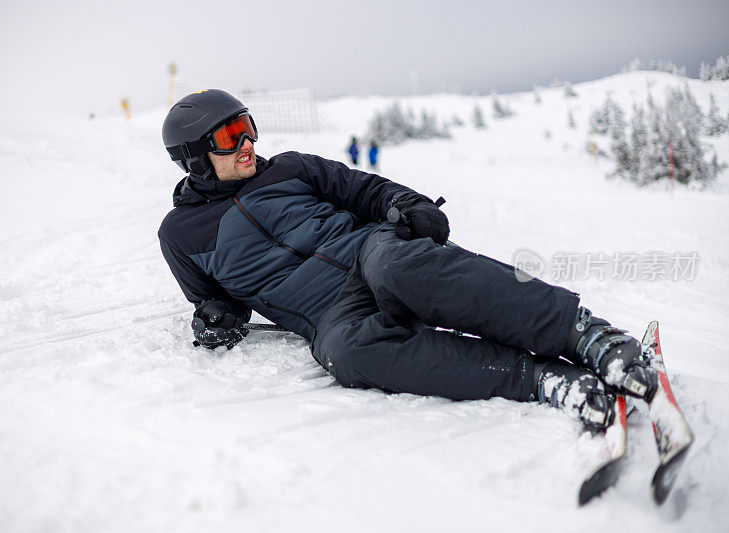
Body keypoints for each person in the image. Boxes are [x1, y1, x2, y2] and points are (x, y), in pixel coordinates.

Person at [158, 90, 658, 430]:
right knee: (345, 354)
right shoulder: (180, 235)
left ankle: (584, 334)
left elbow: (367, 189)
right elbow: (212, 301)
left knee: (397, 266)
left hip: (370, 250)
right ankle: (541, 378)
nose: (248, 144)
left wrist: (410, 207)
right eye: (229, 137)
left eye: (248, 128)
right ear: (196, 158)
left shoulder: (290, 167)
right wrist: (215, 319)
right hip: (327, 313)